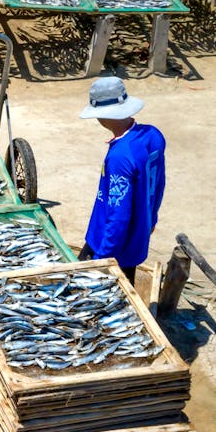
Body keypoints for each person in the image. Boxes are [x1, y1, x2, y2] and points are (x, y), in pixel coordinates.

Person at [77, 77, 165, 283]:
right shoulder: (153, 135)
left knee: (97, 293)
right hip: (137, 236)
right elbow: (158, 182)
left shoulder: (120, 157)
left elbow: (119, 216)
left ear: (103, 116)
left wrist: (102, 259)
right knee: (127, 282)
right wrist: (152, 218)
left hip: (109, 242)